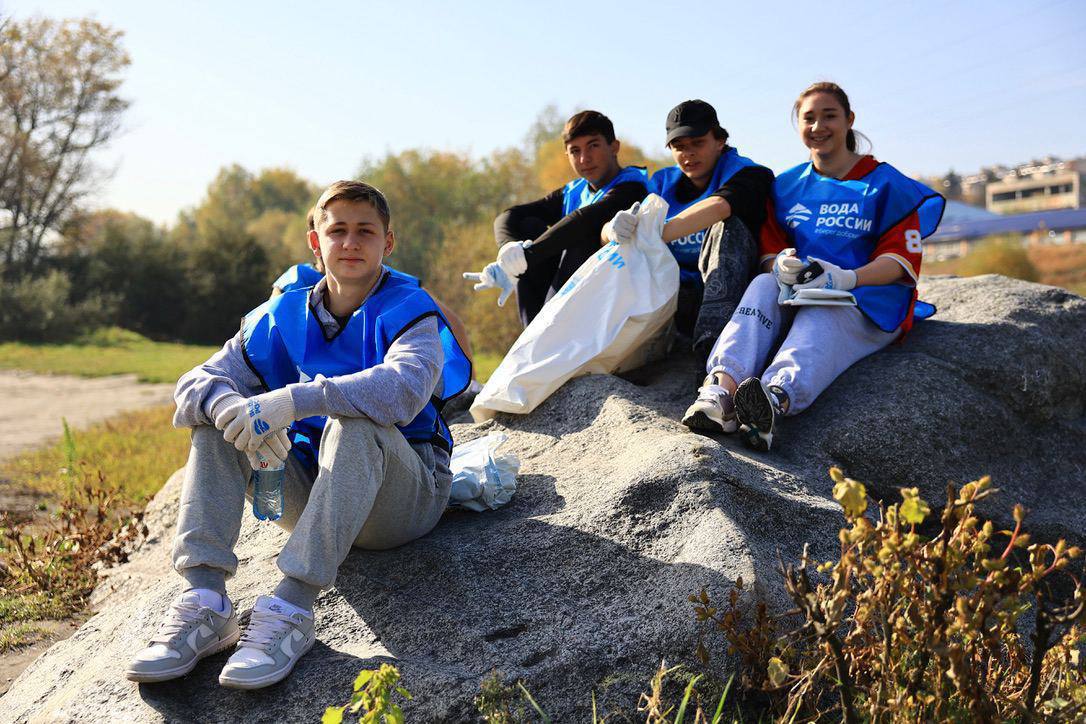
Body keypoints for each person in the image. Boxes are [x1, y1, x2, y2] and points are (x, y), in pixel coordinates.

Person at [126, 180, 471, 689]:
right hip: (317, 493)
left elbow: (401, 392)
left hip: (401, 499)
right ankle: (206, 602)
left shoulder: (410, 308)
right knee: (218, 420)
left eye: (365, 232)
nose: (350, 243)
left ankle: (291, 609)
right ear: (316, 241)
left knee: (356, 421)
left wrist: (290, 400)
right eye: (338, 231)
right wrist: (231, 406)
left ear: (387, 243)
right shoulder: (283, 312)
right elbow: (194, 383)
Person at [681, 82, 945, 451]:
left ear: (850, 120)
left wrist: (847, 277)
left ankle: (772, 401)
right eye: (809, 118)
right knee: (760, 286)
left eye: (829, 116)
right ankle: (720, 394)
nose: (818, 126)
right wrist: (780, 266)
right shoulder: (787, 186)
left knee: (821, 311)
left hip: (862, 300)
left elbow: (900, 262)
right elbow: (771, 247)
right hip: (799, 291)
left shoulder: (888, 185)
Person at [603, 100, 774, 356]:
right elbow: (609, 236)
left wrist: (648, 234)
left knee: (727, 228)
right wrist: (613, 229)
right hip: (674, 298)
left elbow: (718, 207)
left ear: (719, 140)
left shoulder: (751, 174)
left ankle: (711, 348)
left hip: (731, 299)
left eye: (698, 143)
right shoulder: (661, 183)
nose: (688, 154)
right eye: (679, 146)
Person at [470, 110, 649, 326]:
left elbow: (582, 220)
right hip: (575, 290)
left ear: (614, 147)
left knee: (582, 235)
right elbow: (510, 216)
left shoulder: (633, 186)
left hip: (618, 290)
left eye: (593, 146)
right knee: (527, 227)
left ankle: (547, 330)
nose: (584, 158)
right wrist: (508, 249)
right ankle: (533, 332)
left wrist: (523, 259)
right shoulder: (574, 191)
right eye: (575, 151)